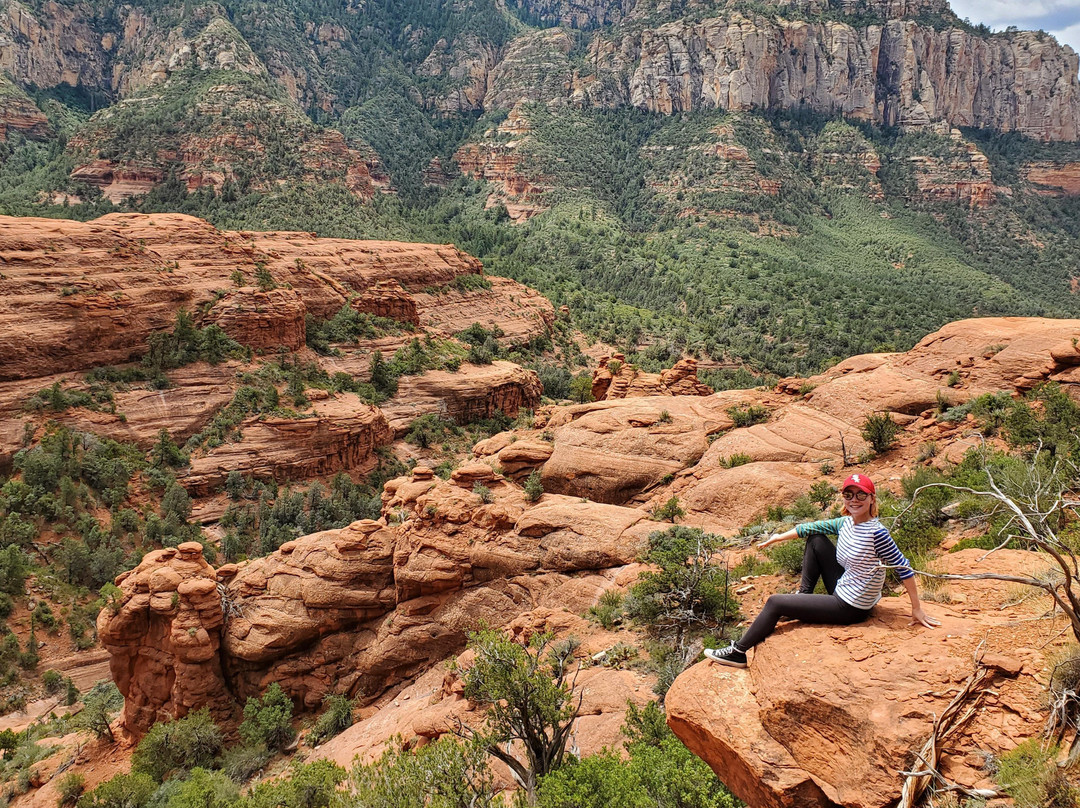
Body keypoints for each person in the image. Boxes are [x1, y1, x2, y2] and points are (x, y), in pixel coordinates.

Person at [705, 472, 940, 668]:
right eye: (849, 494)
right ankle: (803, 596)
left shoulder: (876, 533)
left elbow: (903, 567)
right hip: (844, 586)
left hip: (851, 606)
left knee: (775, 603)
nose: (854, 499)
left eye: (860, 494)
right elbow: (810, 528)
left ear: (871, 498)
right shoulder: (845, 523)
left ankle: (738, 652)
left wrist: (916, 608)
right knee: (816, 538)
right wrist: (777, 538)